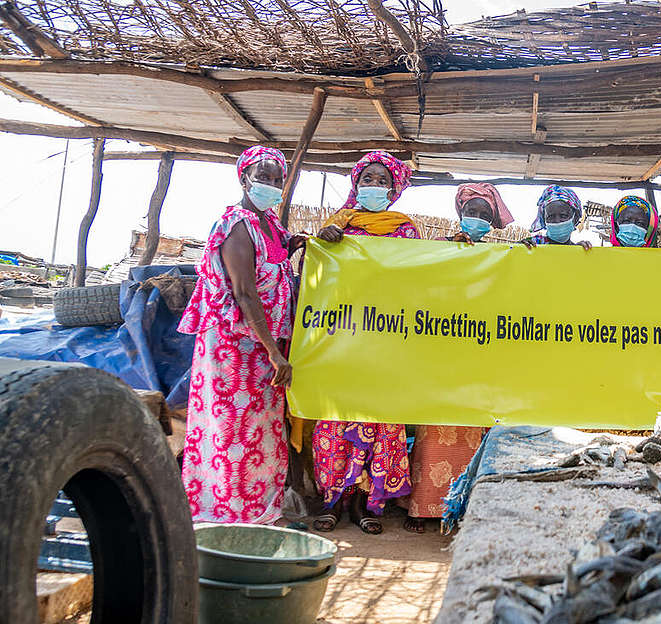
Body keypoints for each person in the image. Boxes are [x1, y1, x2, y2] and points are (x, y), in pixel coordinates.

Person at [178, 145, 302, 524]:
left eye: (278, 179)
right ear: (245, 177)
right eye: (264, 177)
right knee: (230, 431)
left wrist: (295, 244)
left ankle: (257, 507)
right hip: (235, 346)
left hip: (260, 348)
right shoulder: (237, 224)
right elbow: (245, 292)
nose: (272, 184)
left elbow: (275, 261)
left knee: (259, 427)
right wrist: (274, 353)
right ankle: (224, 511)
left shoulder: (269, 223)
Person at [311, 151, 419, 534]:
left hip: (386, 338)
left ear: (394, 189)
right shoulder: (336, 226)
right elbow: (319, 281)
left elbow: (413, 280)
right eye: (367, 179)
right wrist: (325, 246)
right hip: (343, 336)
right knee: (335, 420)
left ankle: (364, 504)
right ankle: (332, 502)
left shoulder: (405, 230)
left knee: (379, 420)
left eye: (381, 181)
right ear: (356, 183)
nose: (373, 186)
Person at [396, 184, 513, 533]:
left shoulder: (502, 257)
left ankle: (460, 508)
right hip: (441, 349)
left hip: (480, 353)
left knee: (471, 432)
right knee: (433, 430)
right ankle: (420, 507)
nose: (476, 219)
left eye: (483, 214)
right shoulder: (439, 248)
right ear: (460, 213)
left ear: (492, 222)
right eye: (471, 212)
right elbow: (420, 284)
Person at [524, 185, 591, 249]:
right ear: (544, 220)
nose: (557, 221)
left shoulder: (577, 250)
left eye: (563, 216)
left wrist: (580, 253)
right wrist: (520, 247)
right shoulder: (534, 244)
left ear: (575, 219)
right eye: (550, 216)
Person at [449, 182, 514, 244]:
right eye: (471, 213)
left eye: (485, 216)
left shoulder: (490, 252)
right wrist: (452, 246)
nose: (477, 219)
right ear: (462, 213)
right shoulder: (440, 243)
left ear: (490, 221)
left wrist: (522, 247)